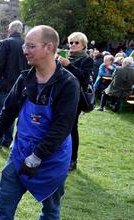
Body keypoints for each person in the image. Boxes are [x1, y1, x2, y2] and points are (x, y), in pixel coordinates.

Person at [0, 25, 79, 220]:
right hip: (20, 152)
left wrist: (38, 156)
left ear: (49, 48)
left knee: (51, 205)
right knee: (6, 198)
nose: (25, 51)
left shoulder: (67, 84)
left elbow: (61, 128)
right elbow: (8, 111)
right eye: (25, 46)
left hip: (52, 158)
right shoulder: (25, 78)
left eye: (30, 46)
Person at [57, 32, 93, 172]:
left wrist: (69, 65)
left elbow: (84, 79)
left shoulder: (86, 60)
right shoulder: (65, 56)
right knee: (57, 124)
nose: (72, 45)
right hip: (60, 95)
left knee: (72, 128)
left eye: (76, 42)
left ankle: (73, 159)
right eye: (71, 42)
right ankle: (59, 155)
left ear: (83, 44)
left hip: (75, 98)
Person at [0, 20, 28, 149]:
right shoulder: (27, 44)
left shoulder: (5, 43)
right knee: (11, 113)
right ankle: (7, 140)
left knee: (3, 112)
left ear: (9, 30)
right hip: (21, 84)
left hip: (5, 83)